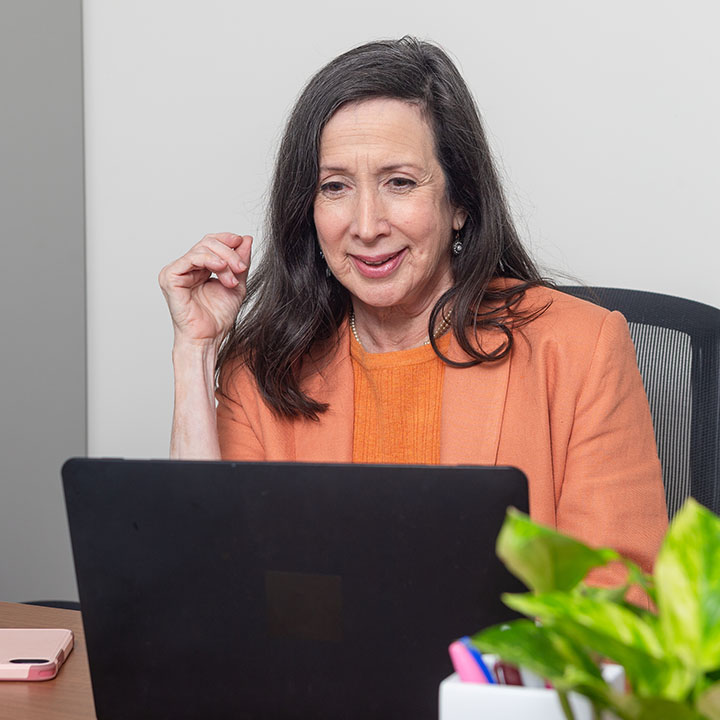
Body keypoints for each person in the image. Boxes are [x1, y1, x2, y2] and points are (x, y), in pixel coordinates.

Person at [159, 37, 667, 590]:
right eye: (336, 187)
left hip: (494, 677)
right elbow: (206, 581)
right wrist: (196, 350)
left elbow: (623, 600)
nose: (367, 224)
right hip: (317, 676)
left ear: (460, 203)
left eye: (399, 182)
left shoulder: (580, 348)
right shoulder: (265, 367)